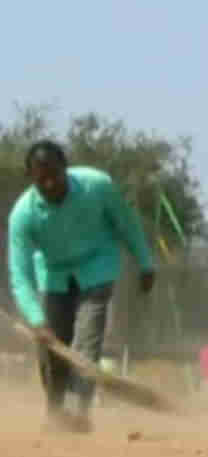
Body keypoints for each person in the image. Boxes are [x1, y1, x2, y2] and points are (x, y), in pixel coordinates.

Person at [8, 140, 155, 433]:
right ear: (31, 178)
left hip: (97, 267)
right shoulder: (23, 215)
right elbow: (19, 274)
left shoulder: (97, 186)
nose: (50, 184)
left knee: (88, 338)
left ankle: (77, 411)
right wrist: (36, 321)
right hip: (53, 273)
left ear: (66, 168)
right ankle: (55, 408)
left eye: (55, 175)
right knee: (51, 344)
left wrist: (146, 262)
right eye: (41, 179)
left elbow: (126, 223)